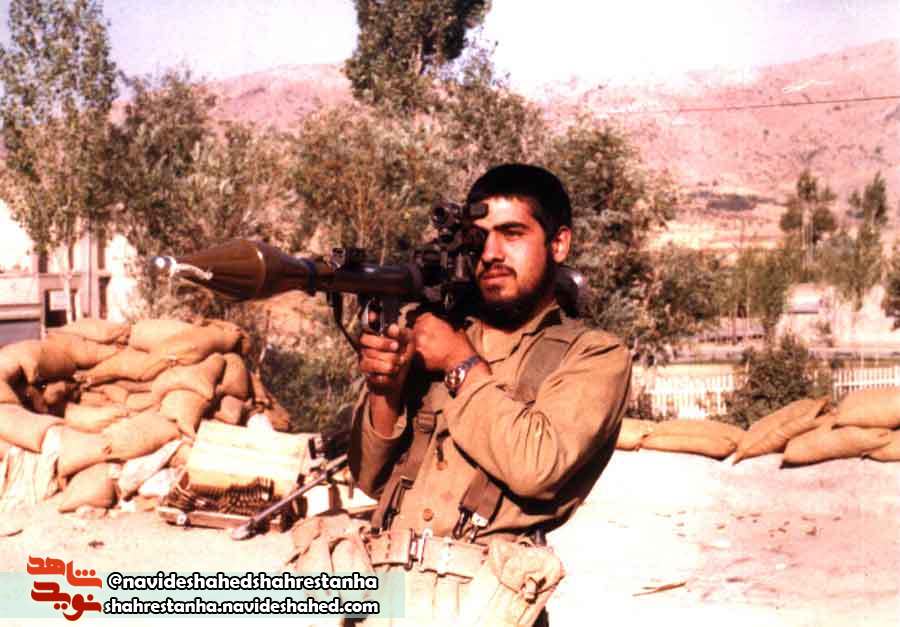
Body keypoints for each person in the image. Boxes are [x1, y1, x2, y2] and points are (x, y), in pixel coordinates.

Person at [292, 164, 632, 626]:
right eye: (478, 239)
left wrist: (459, 362)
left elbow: (537, 467)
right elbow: (370, 478)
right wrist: (386, 390)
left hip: (482, 606)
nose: (491, 254)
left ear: (558, 244)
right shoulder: (433, 333)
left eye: (512, 234)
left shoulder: (593, 354)